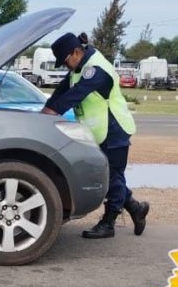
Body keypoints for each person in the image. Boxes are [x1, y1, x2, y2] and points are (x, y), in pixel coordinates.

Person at [41, 33, 149, 238]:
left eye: (65, 62)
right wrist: (45, 111)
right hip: (97, 132)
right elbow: (61, 92)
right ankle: (136, 208)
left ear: (76, 52)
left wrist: (53, 112)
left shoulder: (96, 69)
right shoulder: (78, 68)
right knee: (107, 177)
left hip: (114, 129)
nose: (66, 67)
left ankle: (109, 223)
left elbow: (76, 94)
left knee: (113, 177)